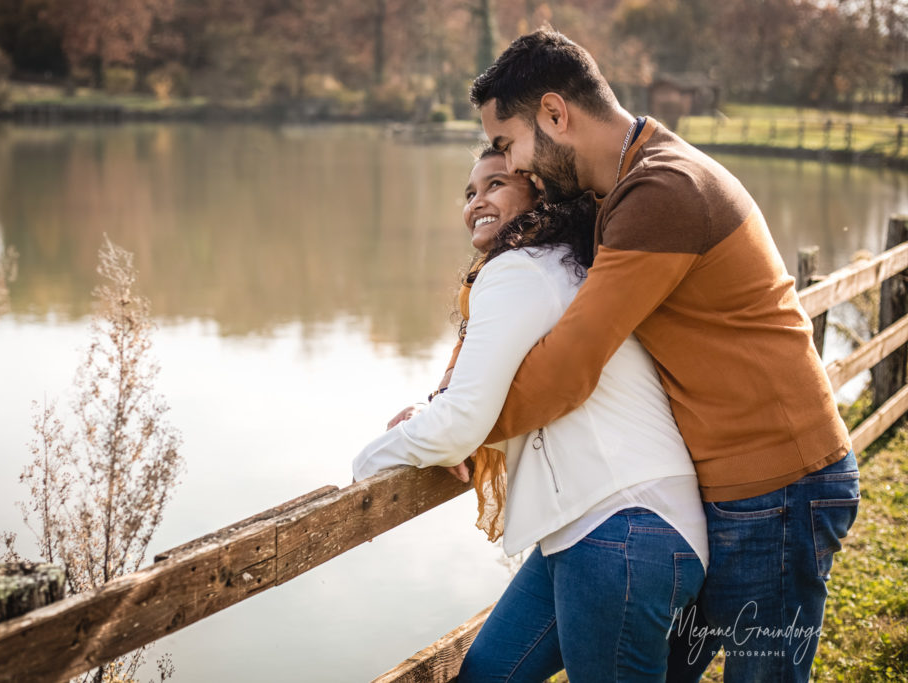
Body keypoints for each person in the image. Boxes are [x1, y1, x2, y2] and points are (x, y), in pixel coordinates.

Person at [467, 28, 859, 682]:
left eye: (510, 145)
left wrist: (461, 429)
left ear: (556, 114)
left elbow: (570, 364)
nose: (516, 169)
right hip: (720, 489)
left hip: (781, 484)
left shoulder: (661, 191)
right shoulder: (615, 190)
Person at [353, 149, 708, 682]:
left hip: (618, 531)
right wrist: (436, 412)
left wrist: (365, 465)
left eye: (496, 183)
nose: (477, 202)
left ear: (539, 193)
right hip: (608, 533)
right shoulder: (565, 268)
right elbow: (492, 393)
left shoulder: (520, 270)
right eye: (470, 193)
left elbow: (460, 423)